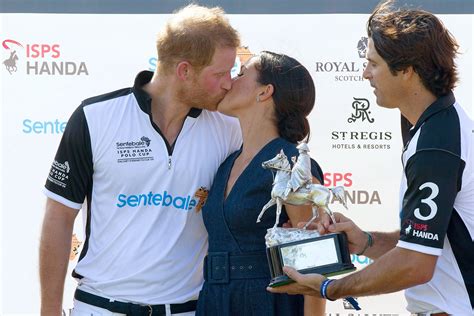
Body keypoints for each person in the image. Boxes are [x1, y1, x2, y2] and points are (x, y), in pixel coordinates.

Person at [268, 1, 474, 315]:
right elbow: (424, 246)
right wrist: (365, 241)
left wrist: (329, 288)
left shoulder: (437, 143)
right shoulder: (434, 125)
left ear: (406, 70)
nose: (365, 74)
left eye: (373, 64)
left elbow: (416, 265)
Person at [39, 5, 242, 316]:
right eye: (220, 74)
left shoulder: (230, 129)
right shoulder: (95, 117)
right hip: (101, 307)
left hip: (189, 309)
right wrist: (49, 309)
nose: (229, 83)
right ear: (184, 71)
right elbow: (59, 216)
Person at [196, 51, 327, 315]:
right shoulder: (227, 163)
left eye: (242, 73)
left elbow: (316, 264)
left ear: (265, 92)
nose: (231, 80)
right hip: (214, 300)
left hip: (268, 303)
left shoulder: (292, 165)